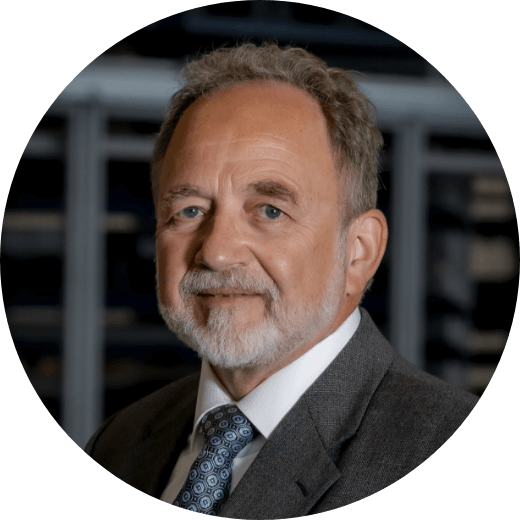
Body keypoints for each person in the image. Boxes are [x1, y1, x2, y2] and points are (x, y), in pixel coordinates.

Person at [85, 42, 479, 516]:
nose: (216, 251)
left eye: (270, 210)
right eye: (189, 211)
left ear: (358, 252)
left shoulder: (436, 442)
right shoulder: (120, 442)